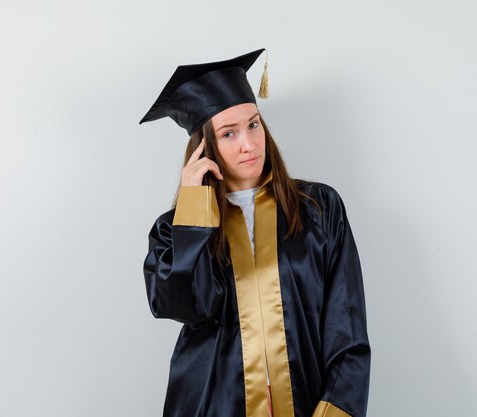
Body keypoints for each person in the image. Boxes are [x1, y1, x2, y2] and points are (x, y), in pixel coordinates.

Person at [139, 48, 371, 417]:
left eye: (253, 124)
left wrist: (335, 409)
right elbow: (186, 305)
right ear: (204, 148)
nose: (249, 144)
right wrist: (194, 208)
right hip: (212, 406)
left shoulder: (319, 208)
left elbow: (347, 327)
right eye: (228, 133)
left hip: (308, 402)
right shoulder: (174, 229)